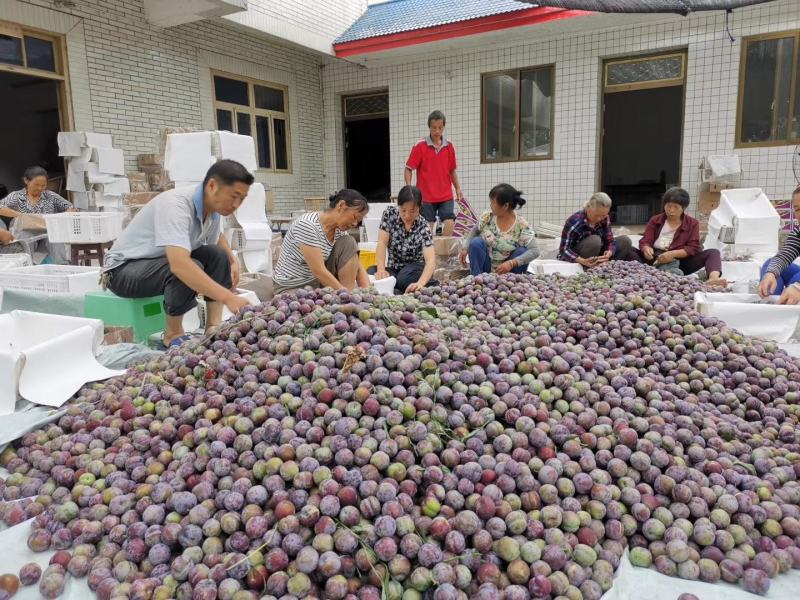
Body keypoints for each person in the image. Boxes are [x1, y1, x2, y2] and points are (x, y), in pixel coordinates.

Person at [102, 160, 254, 348]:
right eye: (234, 196)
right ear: (213, 186)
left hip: (155, 264)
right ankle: (173, 333)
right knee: (188, 267)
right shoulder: (176, 206)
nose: (236, 204)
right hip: (122, 271)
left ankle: (214, 326)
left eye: (242, 199)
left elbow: (216, 240)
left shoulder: (213, 210)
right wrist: (228, 297)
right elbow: (179, 264)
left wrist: (232, 260)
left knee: (217, 255)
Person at [273, 189, 370, 294]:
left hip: (317, 282)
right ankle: (344, 297)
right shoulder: (307, 225)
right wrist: (346, 295)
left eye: (358, 221)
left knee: (349, 243)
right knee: (312, 307)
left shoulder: (340, 231)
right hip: (292, 286)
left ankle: (346, 295)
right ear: (341, 206)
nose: (355, 223)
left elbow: (358, 268)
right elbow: (319, 271)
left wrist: (369, 294)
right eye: (354, 217)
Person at [638, 187, 726, 285]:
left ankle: (713, 279)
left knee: (713, 253)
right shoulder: (655, 220)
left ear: (683, 208)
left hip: (681, 262)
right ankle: (646, 274)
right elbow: (646, 240)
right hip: (655, 260)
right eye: (668, 206)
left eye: (676, 207)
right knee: (630, 251)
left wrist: (672, 254)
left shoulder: (692, 223)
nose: (671, 210)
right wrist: (646, 248)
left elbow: (693, 247)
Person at [404, 110, 463, 236]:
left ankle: (446, 253)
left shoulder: (449, 146)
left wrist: (458, 188)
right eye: (434, 128)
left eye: (440, 128)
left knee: (449, 222)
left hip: (445, 194)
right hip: (426, 196)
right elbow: (408, 168)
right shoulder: (420, 146)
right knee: (427, 227)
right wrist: (409, 189)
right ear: (429, 127)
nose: (437, 131)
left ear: (443, 127)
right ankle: (427, 253)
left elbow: (452, 170)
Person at [460, 183, 539, 276]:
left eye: (493, 202)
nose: (490, 205)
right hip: (487, 268)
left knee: (522, 250)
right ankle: (476, 280)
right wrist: (465, 248)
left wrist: (512, 263)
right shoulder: (487, 217)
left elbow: (535, 251)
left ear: (505, 206)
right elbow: (475, 231)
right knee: (476, 242)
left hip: (510, 272)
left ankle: (515, 285)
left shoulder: (522, 225)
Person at [0, 166, 74, 263]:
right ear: (26, 181)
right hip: (24, 232)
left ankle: (62, 266)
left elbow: (71, 208)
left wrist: (63, 215)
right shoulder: (16, 196)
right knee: (24, 237)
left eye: (43, 185)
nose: (40, 188)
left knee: (56, 236)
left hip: (47, 232)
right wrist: (19, 215)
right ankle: (26, 266)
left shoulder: (50, 196)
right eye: (36, 184)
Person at [373, 185, 436, 294]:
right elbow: (382, 243)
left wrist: (420, 283)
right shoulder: (389, 214)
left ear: (419, 208)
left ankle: (428, 283)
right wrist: (381, 270)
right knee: (371, 272)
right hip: (394, 268)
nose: (407, 216)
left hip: (414, 269)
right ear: (399, 206)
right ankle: (398, 286)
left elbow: (430, 260)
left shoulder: (423, 226)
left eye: (412, 211)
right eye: (403, 210)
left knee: (403, 278)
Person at [557, 192, 633, 267]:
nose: (600, 219)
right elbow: (564, 250)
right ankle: (586, 267)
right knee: (595, 240)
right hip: (580, 257)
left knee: (625, 240)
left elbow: (609, 240)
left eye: (603, 215)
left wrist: (610, 251)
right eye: (596, 215)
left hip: (597, 254)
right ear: (588, 207)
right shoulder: (575, 222)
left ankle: (608, 268)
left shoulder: (605, 218)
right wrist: (581, 260)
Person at [758, 185, 800, 304]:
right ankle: (771, 305)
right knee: (770, 265)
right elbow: (784, 256)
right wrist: (770, 274)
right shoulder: (798, 233)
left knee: (796, 280)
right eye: (797, 209)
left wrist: (798, 287)